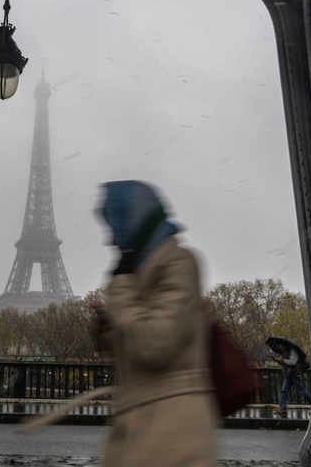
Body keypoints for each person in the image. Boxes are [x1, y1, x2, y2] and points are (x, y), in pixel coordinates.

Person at [95, 180, 217, 467]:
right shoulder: (141, 269)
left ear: (131, 220)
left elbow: (153, 346)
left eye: (115, 224)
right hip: (144, 426)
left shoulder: (179, 262)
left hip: (168, 433)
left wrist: (122, 285)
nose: (110, 239)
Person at [272, 342, 311, 412]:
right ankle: (282, 407)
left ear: (283, 344)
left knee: (302, 391)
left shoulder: (292, 351)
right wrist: (278, 361)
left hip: (295, 374)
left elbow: (293, 362)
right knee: (284, 390)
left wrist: (283, 360)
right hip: (288, 374)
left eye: (279, 345)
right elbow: (285, 363)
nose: (278, 347)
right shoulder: (283, 352)